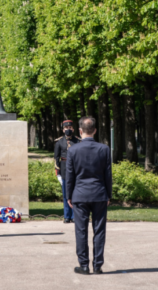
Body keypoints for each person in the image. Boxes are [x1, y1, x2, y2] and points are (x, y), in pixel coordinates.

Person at [66, 116, 112, 275]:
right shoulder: (104, 149)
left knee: (81, 231)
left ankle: (84, 265)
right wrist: (108, 195)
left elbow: (69, 175)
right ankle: (98, 265)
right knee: (99, 231)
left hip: (79, 194)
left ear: (79, 131)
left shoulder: (72, 149)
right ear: (95, 130)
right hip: (99, 193)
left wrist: (68, 195)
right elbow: (108, 175)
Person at [54, 119, 80, 223]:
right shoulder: (59, 142)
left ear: (73, 129)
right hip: (64, 169)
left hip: (75, 169)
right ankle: (66, 216)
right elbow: (56, 158)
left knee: (75, 194)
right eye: (66, 128)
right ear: (63, 129)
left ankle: (74, 216)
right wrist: (58, 173)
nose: (68, 130)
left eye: (70, 128)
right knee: (65, 194)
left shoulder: (78, 141)